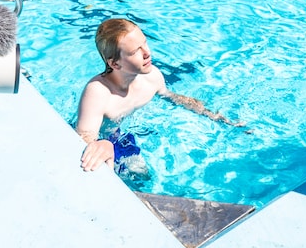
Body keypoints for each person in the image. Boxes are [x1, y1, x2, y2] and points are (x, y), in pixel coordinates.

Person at [76, 18, 243, 173]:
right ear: (115, 63)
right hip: (106, 141)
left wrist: (213, 115)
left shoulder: (151, 77)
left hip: (124, 137)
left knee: (143, 175)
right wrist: (102, 144)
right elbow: (83, 135)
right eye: (135, 51)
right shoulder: (98, 92)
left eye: (145, 43)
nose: (147, 53)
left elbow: (172, 97)